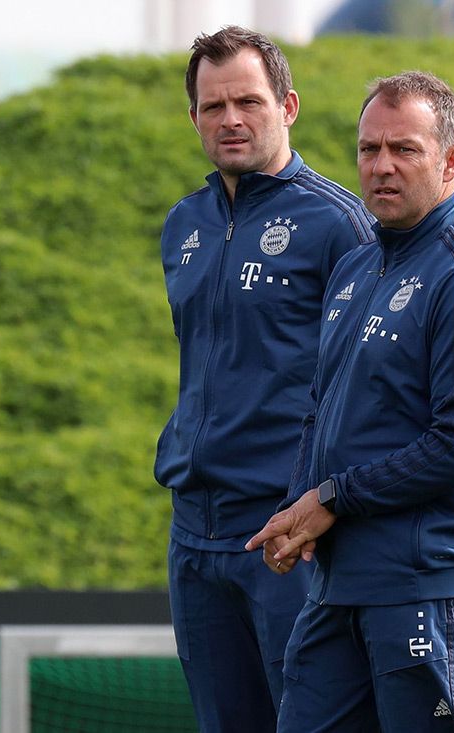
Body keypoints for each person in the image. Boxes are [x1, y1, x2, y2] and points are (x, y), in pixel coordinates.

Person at [246, 71, 454, 732]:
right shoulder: (355, 266)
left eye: (404, 149)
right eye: (369, 149)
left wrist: (333, 497)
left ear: (450, 160)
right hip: (342, 582)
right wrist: (297, 504)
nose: (381, 166)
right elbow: (325, 408)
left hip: (430, 582)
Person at [154, 25, 376, 733]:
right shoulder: (183, 224)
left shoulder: (342, 225)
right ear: (194, 117)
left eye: (248, 101)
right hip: (196, 531)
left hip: (289, 533)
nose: (230, 120)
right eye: (212, 106)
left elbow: (375, 385)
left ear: (289, 105)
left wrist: (326, 499)